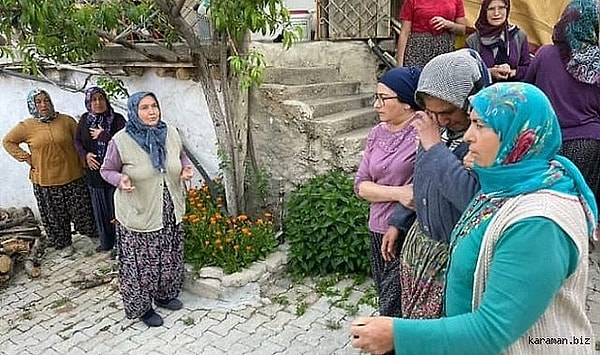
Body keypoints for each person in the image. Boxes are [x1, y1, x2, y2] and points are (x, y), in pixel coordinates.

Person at [350, 82, 598, 355]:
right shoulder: (504, 185)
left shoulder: (539, 223)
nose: (468, 135)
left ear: (517, 136)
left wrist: (397, 335)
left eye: (480, 125)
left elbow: (492, 329)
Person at [383, 48, 490, 319]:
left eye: (448, 111)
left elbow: (471, 200)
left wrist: (433, 146)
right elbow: (422, 180)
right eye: (431, 111)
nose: (440, 120)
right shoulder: (438, 130)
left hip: (454, 259)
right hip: (423, 247)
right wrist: (399, 220)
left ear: (470, 101)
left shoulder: (486, 140)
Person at [100, 92, 193, 327]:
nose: (152, 112)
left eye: (154, 106)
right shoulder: (120, 140)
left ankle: (164, 295)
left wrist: (186, 169)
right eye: (144, 108)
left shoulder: (169, 132)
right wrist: (120, 179)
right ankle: (142, 308)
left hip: (169, 207)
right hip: (139, 211)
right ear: (134, 111)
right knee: (140, 264)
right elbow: (106, 170)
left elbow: (180, 157)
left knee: (168, 256)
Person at [354, 67, 421, 318]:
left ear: (406, 102)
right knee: (384, 292)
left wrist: (402, 196)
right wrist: (398, 193)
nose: (376, 104)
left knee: (396, 300)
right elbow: (361, 185)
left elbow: (417, 189)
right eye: (376, 97)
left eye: (383, 98)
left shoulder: (421, 133)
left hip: (406, 229)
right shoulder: (377, 133)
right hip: (377, 226)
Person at [2, 89, 98, 255]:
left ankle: (92, 237)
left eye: (46, 100)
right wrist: (26, 157)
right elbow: (8, 142)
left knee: (83, 210)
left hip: (73, 175)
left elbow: (80, 143)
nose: (43, 105)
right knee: (55, 216)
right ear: (32, 105)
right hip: (45, 180)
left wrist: (85, 162)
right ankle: (64, 244)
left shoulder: (66, 121)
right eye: (38, 102)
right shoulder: (26, 126)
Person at [524, 0, 600, 210]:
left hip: (548, 141)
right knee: (584, 200)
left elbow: (529, 93)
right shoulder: (596, 62)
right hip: (588, 143)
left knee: (551, 198)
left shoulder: (545, 54)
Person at [74, 87, 126, 254]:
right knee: (100, 210)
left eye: (101, 98)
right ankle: (106, 242)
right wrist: (86, 155)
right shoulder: (84, 120)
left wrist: (105, 136)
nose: (98, 103)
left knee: (116, 208)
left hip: (115, 173)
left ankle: (121, 244)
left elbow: (125, 143)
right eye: (93, 100)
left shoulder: (117, 120)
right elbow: (77, 142)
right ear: (88, 102)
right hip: (95, 174)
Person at [466, 0, 531, 82]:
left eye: (501, 8)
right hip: (484, 92)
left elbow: (528, 68)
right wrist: (489, 72)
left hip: (514, 90)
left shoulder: (518, 36)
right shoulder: (473, 41)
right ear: (484, 11)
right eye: (491, 9)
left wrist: (512, 72)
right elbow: (467, 72)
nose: (496, 13)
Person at [396, 0, 466, 68]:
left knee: (441, 78)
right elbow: (404, 33)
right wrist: (399, 65)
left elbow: (462, 30)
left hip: (444, 52)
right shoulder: (412, 1)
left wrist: (449, 24)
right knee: (417, 78)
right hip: (418, 51)